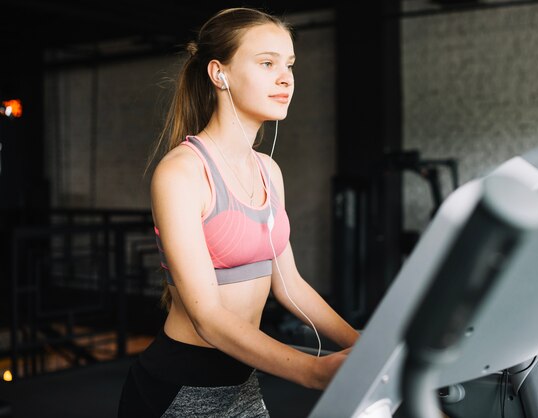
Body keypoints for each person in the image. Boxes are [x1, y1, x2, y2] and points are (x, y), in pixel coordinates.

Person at [117, 7, 360, 418]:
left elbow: (290, 285)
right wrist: (311, 372)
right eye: (267, 63)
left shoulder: (268, 170)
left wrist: (365, 344)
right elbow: (207, 318)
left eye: (289, 65)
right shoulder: (182, 172)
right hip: (179, 388)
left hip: (243, 381)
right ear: (219, 73)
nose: (286, 78)